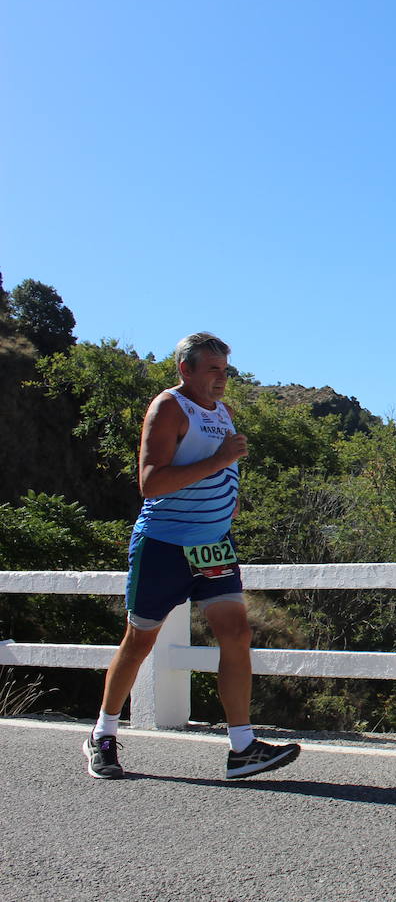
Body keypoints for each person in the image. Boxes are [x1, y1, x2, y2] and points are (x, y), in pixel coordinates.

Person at [83, 332, 300, 780]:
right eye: (212, 369)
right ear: (186, 369)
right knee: (140, 640)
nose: (222, 378)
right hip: (164, 546)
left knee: (236, 635)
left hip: (212, 546)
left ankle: (242, 747)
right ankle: (103, 733)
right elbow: (151, 483)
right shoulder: (168, 407)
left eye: (225, 370)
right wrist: (220, 461)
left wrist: (228, 499)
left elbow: (222, 467)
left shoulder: (224, 412)